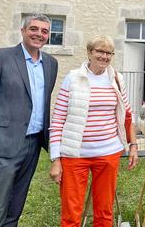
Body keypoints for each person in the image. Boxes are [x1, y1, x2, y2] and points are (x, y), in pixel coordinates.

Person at [0, 13, 58, 227]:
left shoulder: (51, 64)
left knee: (14, 209)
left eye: (44, 31)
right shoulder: (0, 57)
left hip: (33, 145)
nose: (39, 34)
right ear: (23, 31)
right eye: (34, 29)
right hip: (1, 144)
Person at [49, 35, 138, 227]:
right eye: (99, 51)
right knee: (71, 214)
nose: (104, 56)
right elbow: (57, 120)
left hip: (108, 154)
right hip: (75, 155)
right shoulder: (73, 79)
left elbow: (126, 114)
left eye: (109, 53)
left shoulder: (116, 79)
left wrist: (133, 145)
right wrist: (56, 159)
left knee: (104, 213)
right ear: (90, 52)